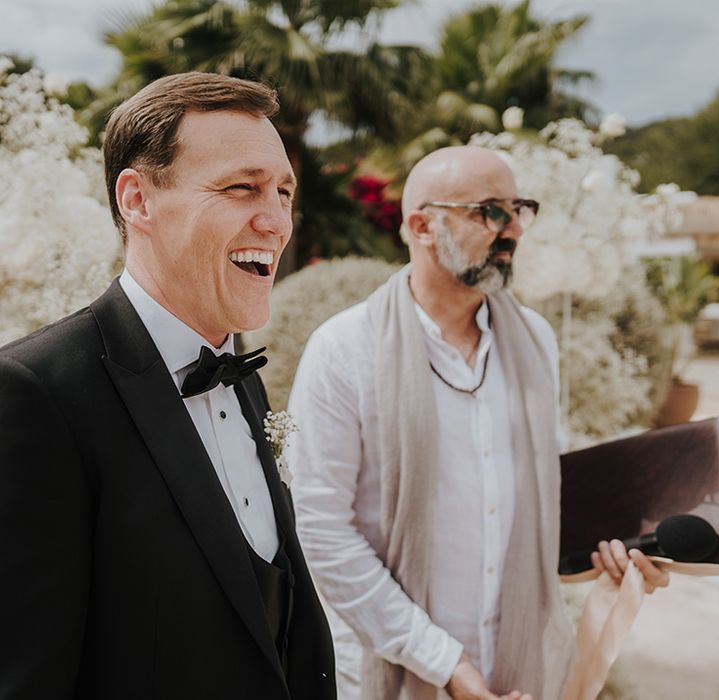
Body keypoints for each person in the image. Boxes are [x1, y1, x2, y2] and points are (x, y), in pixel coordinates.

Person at [287, 146, 668, 700]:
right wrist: (444, 664)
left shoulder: (534, 338)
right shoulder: (345, 349)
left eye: (520, 209)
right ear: (421, 225)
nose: (513, 229)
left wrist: (624, 550)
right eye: (490, 211)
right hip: (394, 671)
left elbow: (540, 494)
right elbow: (320, 529)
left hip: (522, 666)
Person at [0, 72, 335, 700]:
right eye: (242, 188)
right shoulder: (32, 394)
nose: (276, 221)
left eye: (285, 193)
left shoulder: (245, 383)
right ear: (138, 199)